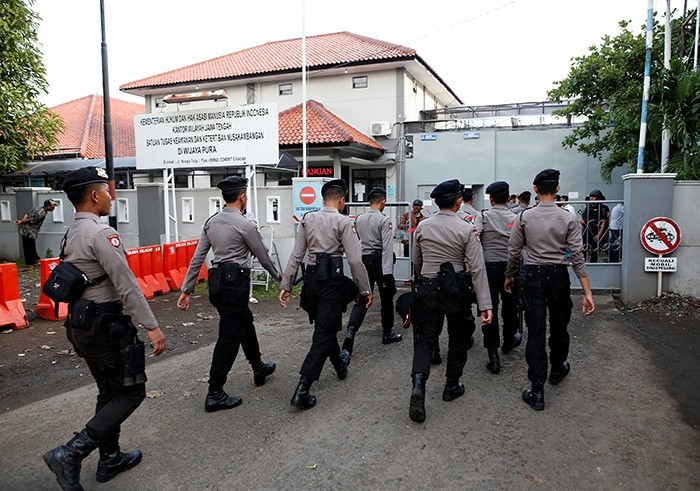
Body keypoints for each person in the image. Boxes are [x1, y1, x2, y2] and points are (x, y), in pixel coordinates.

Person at [42, 166, 166, 490]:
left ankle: (109, 458)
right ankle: (71, 452)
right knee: (131, 392)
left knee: (109, 391)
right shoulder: (100, 233)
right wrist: (152, 326)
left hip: (81, 325)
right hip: (104, 325)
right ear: (95, 195)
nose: (112, 196)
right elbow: (125, 283)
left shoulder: (71, 232)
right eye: (107, 191)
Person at [177, 176, 281, 412]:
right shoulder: (245, 225)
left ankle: (258, 367)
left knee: (245, 322)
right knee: (229, 336)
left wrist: (187, 289)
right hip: (236, 284)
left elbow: (197, 258)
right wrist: (278, 277)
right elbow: (263, 256)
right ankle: (215, 392)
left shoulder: (211, 223)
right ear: (242, 196)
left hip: (217, 284)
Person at [505, 169, 595, 411]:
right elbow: (577, 255)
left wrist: (509, 276)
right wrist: (587, 291)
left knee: (535, 332)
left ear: (535, 189)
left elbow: (514, 251)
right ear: (557, 189)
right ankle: (557, 368)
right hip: (558, 276)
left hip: (533, 276)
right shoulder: (568, 218)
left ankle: (537, 390)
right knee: (559, 325)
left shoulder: (525, 217)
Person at [279, 179, 373, 410]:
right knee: (323, 334)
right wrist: (365, 289)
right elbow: (354, 260)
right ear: (341, 201)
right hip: (331, 282)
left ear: (323, 199)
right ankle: (302, 389)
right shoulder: (343, 222)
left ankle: (340, 364)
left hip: (311, 282)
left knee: (325, 327)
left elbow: (296, 255)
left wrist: (286, 285)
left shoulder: (307, 219)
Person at [409, 179, 492, 423]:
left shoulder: (423, 226)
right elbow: (477, 268)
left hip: (428, 287)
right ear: (458, 201)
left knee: (425, 340)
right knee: (458, 337)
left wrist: (426, 276)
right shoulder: (466, 228)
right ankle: (451, 385)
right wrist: (485, 305)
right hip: (456, 288)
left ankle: (418, 386)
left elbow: (416, 260)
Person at [342, 187, 402, 354]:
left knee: (363, 297)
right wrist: (388, 273)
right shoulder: (384, 220)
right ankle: (387, 333)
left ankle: (351, 331)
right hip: (379, 261)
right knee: (386, 298)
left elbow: (356, 241)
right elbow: (387, 248)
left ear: (369, 202)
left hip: (363, 259)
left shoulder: (359, 219)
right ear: (383, 201)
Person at [473, 181, 520, 375]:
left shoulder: (482, 216)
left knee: (488, 308)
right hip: (511, 268)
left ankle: (493, 356)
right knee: (510, 308)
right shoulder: (516, 217)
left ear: (491, 199)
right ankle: (509, 340)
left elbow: (475, 241)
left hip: (488, 269)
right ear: (508, 198)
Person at [15, 199, 58, 266]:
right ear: (48, 206)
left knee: (28, 247)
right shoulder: (41, 213)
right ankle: (32, 262)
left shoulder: (38, 208)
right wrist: (21, 222)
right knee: (30, 247)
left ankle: (33, 261)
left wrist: (21, 222)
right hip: (30, 231)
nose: (54, 208)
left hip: (26, 230)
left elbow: (27, 214)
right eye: (53, 206)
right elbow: (31, 220)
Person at [580, 189, 609, 263]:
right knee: (584, 247)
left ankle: (594, 264)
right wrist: (583, 222)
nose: (591, 198)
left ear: (598, 198)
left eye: (593, 197)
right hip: (589, 230)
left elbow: (604, 222)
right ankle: (583, 262)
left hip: (598, 231)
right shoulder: (588, 207)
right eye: (591, 197)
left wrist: (599, 235)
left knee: (595, 249)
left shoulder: (603, 208)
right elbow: (585, 220)